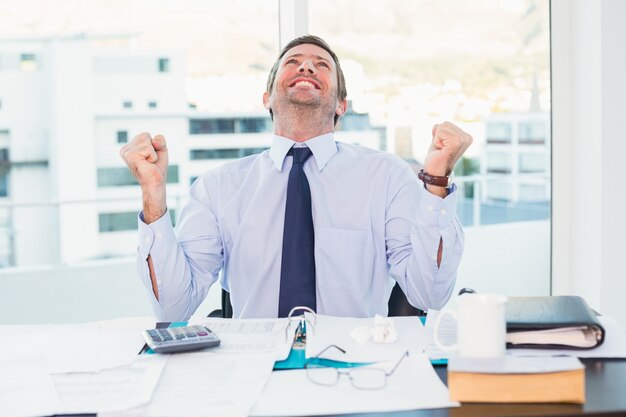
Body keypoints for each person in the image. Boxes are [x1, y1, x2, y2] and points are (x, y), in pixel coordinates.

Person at [120, 35, 472, 321]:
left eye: (322, 65)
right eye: (292, 62)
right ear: (267, 98)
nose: (306, 65)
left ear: (341, 105)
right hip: (254, 374)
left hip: (357, 370)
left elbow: (430, 294)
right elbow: (173, 308)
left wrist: (437, 181)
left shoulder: (386, 175)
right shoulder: (217, 187)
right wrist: (153, 197)